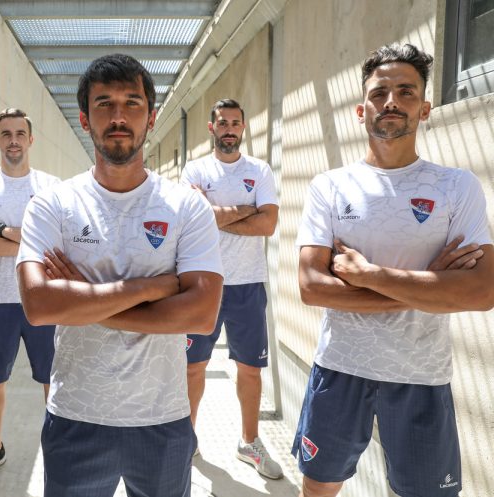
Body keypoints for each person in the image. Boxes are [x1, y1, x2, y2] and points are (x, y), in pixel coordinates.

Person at [15, 54, 224, 497]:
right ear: (84, 119)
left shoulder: (186, 206)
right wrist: (152, 287)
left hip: (162, 418)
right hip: (76, 415)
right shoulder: (53, 205)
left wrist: (85, 298)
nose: (118, 116)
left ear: (151, 117)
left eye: (132, 103)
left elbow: (202, 313)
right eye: (104, 104)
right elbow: (39, 305)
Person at [293, 43, 494, 497]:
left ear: (424, 109)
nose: (391, 102)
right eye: (379, 92)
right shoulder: (330, 186)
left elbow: (481, 292)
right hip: (341, 366)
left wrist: (368, 276)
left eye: (406, 92)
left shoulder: (455, 187)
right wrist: (432, 286)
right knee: (319, 488)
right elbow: (311, 287)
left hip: (421, 373)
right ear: (360, 110)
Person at [179, 98, 283, 478]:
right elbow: (192, 220)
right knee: (193, 367)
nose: (229, 129)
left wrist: (216, 214)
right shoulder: (195, 169)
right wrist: (247, 209)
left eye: (235, 123)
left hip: (247, 284)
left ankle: (249, 442)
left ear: (243, 128)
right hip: (203, 282)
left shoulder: (259, 170)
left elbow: (268, 224)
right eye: (222, 123)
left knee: (250, 369)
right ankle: (186, 440)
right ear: (212, 127)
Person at [0, 108, 60, 484]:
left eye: (20, 133)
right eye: (7, 134)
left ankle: (58, 448)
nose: (14, 140)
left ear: (30, 140)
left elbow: (56, 243)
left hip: (43, 298)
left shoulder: (51, 186)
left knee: (53, 379)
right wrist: (29, 240)